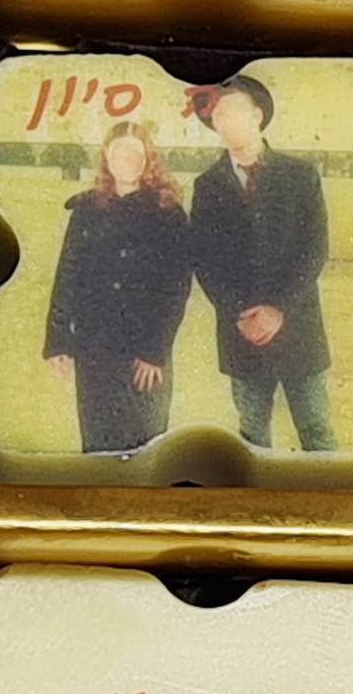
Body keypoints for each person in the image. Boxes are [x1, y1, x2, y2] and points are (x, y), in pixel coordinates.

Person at [185, 74, 337, 453]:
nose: (227, 121)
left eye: (235, 110)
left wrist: (279, 309)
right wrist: (239, 313)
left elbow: (314, 249)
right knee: (252, 433)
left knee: (316, 429)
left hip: (298, 327)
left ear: (257, 115)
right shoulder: (207, 185)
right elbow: (204, 261)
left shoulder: (300, 175)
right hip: (242, 333)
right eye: (218, 115)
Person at [39, 119, 193, 453]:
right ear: (107, 156)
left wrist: (154, 352)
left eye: (135, 153)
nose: (127, 160)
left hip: (143, 354)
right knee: (98, 446)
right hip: (94, 349)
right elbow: (68, 276)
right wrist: (58, 340)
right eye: (119, 151)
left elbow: (176, 290)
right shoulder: (86, 211)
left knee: (145, 448)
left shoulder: (168, 214)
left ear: (148, 159)